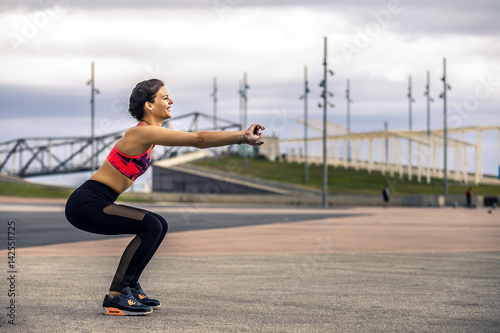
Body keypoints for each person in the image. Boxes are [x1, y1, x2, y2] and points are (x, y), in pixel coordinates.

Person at [65, 79, 265, 316]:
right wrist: (243, 136)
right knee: (151, 224)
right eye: (164, 97)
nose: (171, 101)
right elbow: (198, 140)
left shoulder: (150, 136)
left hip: (99, 201)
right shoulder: (141, 132)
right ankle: (115, 296)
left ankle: (129, 286)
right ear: (149, 105)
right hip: (86, 203)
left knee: (159, 224)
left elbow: (197, 140)